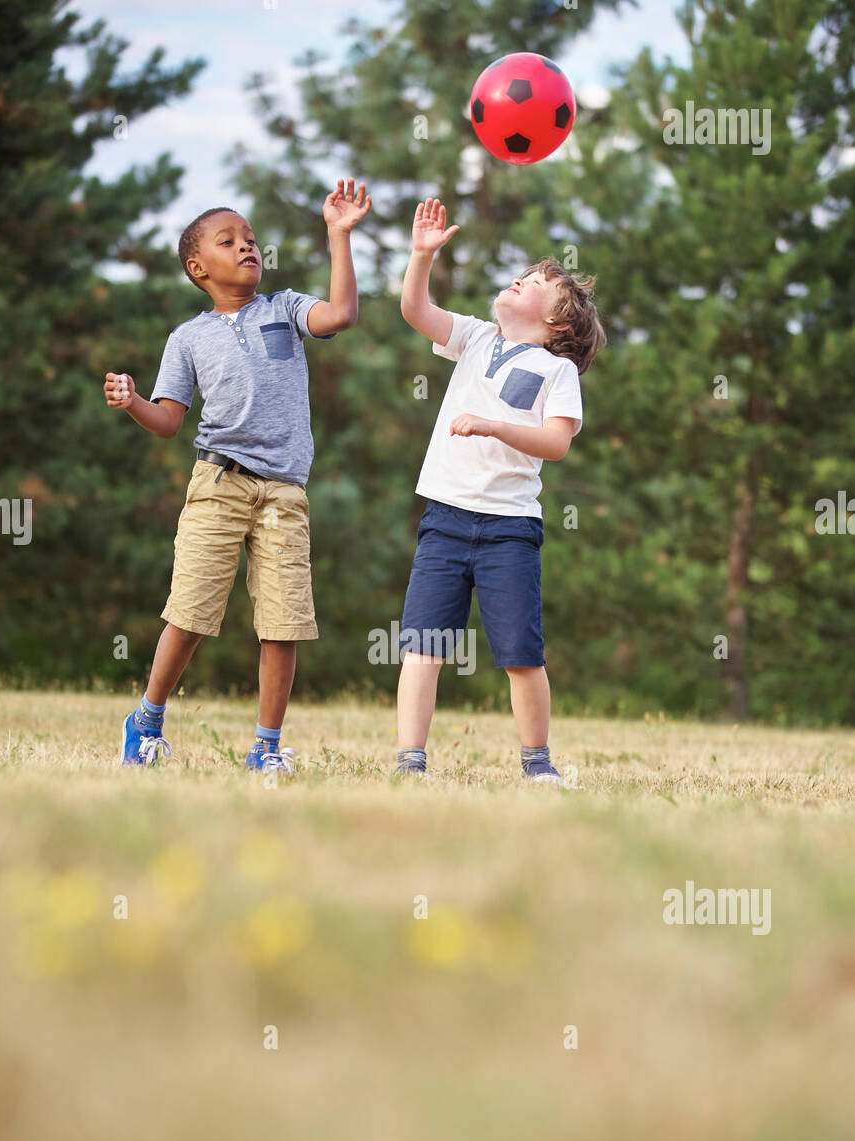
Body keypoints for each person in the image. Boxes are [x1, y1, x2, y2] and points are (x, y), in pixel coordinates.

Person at [105, 180, 371, 773]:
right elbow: (169, 420)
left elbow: (343, 314)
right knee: (191, 612)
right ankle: (146, 721)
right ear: (199, 267)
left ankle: (266, 749)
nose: (247, 246)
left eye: (250, 238)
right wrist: (132, 403)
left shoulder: (286, 309)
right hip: (218, 486)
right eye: (229, 241)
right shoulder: (188, 338)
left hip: (284, 493)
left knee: (283, 622)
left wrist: (338, 234)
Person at [396, 197, 605, 783]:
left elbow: (556, 443)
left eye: (536, 282)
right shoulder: (477, 337)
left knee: (521, 655)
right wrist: (420, 256)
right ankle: (411, 763)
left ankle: (537, 766)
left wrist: (490, 425)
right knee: (422, 647)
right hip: (445, 520)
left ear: (558, 324)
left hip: (509, 528)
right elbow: (415, 310)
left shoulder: (557, 372)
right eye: (522, 275)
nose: (520, 280)